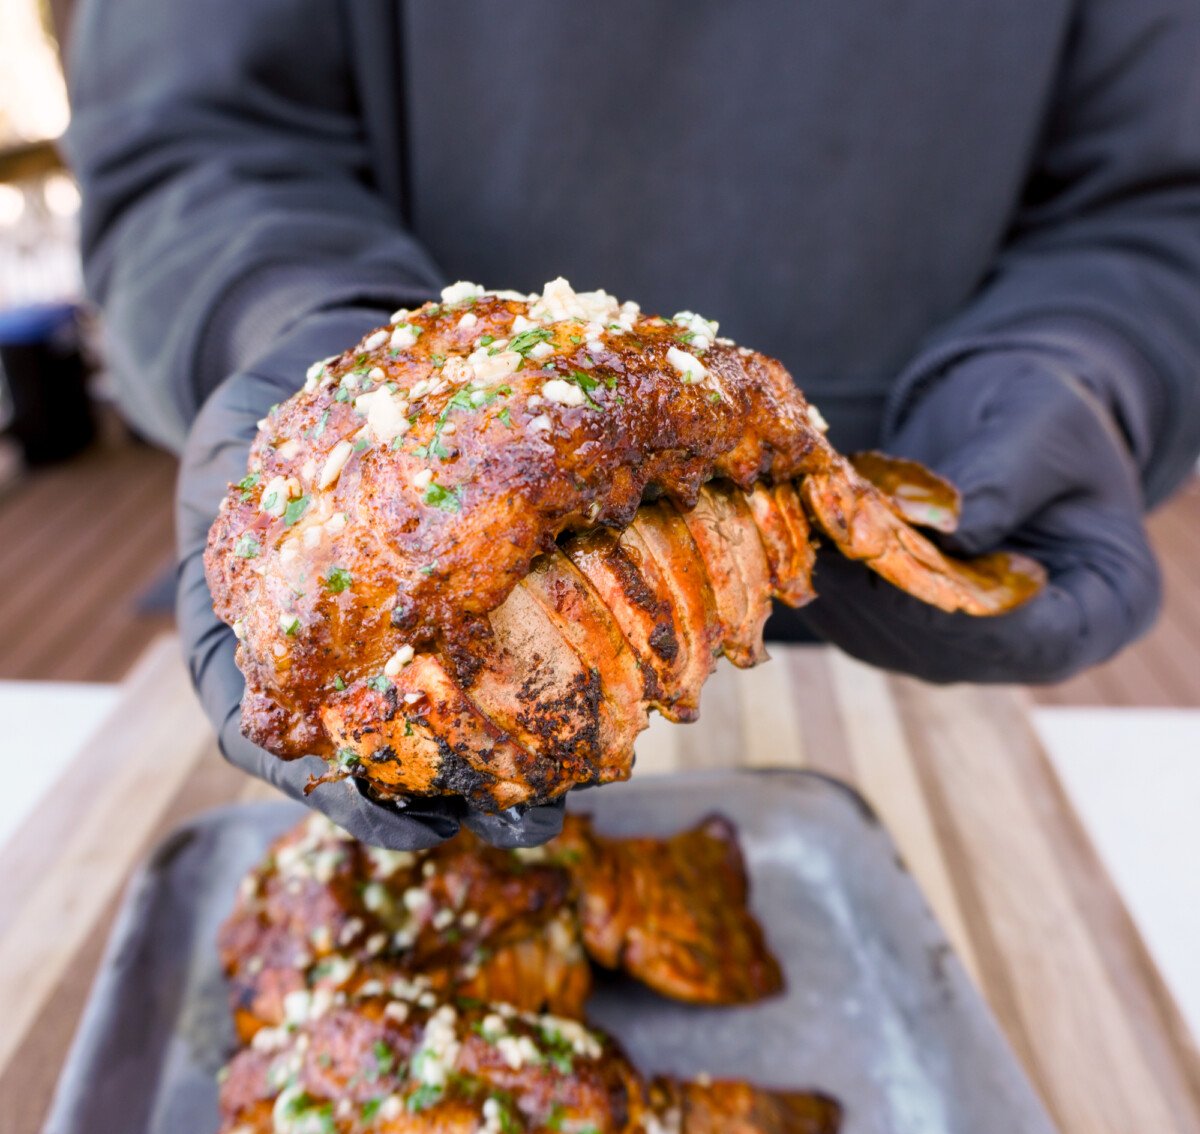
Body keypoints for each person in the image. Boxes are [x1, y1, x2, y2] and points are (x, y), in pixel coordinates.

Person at [65, 1, 1200, 848]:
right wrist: (287, 318)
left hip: (902, 608)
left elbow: (1162, 192)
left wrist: (1091, 361)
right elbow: (190, 135)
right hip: (395, 533)